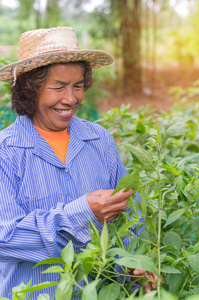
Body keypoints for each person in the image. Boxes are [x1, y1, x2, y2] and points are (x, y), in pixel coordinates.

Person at [0, 27, 157, 299]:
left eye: (78, 86)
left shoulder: (98, 140)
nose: (71, 99)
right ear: (31, 90)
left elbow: (130, 214)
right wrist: (83, 213)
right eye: (58, 87)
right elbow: (6, 239)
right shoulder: (6, 152)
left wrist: (135, 263)